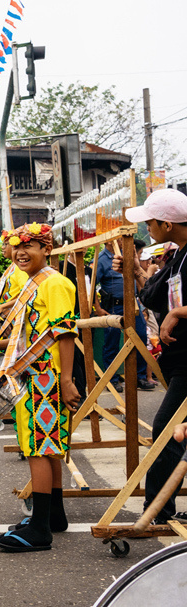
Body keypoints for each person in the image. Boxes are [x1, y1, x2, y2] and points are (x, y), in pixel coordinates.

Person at [0, 224, 80, 552]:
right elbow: (33, 333)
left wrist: (67, 380)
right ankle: (54, 516)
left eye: (30, 246)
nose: (20, 252)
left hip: (45, 378)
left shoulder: (56, 283)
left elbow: (64, 333)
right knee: (46, 449)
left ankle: (40, 529)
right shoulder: (37, 283)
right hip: (35, 375)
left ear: (47, 249)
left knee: (38, 450)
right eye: (17, 246)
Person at [128, 188, 187, 523]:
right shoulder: (177, 254)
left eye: (150, 222)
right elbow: (152, 296)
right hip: (179, 359)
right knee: (174, 431)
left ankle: (158, 512)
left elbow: (170, 306)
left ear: (166, 224)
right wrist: (137, 270)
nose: (146, 228)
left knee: (167, 430)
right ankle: (159, 510)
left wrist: (179, 313)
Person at [97, 242, 157, 391]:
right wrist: (97, 308)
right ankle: (112, 379)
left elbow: (138, 277)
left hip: (132, 303)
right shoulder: (101, 260)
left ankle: (140, 377)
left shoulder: (128, 254)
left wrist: (141, 305)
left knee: (141, 337)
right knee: (112, 341)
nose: (121, 241)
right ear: (109, 240)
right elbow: (91, 285)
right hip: (113, 305)